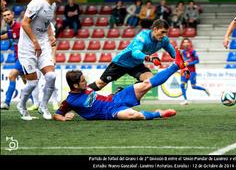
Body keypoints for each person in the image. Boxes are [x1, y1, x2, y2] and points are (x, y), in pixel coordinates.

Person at [53, 48, 187, 121]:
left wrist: (114, 94)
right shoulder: (70, 101)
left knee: (146, 84)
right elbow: (57, 114)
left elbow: (100, 85)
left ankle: (176, 65)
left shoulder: (88, 88)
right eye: (82, 81)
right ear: (75, 85)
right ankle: (159, 114)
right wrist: (63, 118)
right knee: (135, 115)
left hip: (116, 99)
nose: (86, 82)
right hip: (111, 112)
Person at [16, 0, 64, 121]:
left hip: (43, 44)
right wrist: (35, 41)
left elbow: (47, 22)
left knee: (51, 76)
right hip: (27, 47)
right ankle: (21, 105)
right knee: (32, 83)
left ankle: (43, 106)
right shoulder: (37, 2)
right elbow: (24, 23)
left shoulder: (53, 5)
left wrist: (50, 35)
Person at [88, 19, 176, 91]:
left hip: (136, 64)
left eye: (166, 33)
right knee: (100, 84)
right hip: (121, 63)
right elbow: (135, 53)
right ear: (155, 29)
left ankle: (122, 92)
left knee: (149, 80)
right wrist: (149, 58)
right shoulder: (142, 37)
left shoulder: (164, 40)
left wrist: (180, 61)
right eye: (162, 32)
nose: (164, 35)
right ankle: (76, 96)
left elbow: (173, 52)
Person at [0, 8, 40, 110]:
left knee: (11, 75)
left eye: (8, 14)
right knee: (27, 82)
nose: (6, 17)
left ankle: (6, 102)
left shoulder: (19, 26)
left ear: (13, 15)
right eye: (4, 16)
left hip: (24, 57)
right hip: (18, 57)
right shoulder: (11, 28)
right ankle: (36, 103)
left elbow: (13, 35)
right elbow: (8, 35)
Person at [179, 37, 210, 106]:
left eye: (187, 42)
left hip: (192, 71)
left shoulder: (192, 51)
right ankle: (185, 100)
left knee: (193, 86)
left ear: (189, 43)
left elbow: (197, 61)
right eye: (184, 42)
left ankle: (204, 89)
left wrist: (189, 63)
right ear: (182, 44)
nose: (185, 43)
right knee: (182, 85)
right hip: (184, 71)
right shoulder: (182, 52)